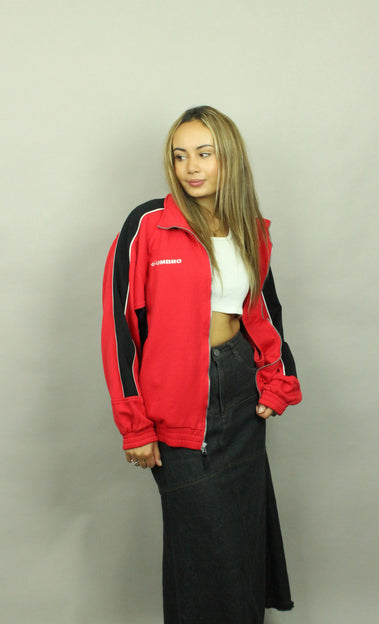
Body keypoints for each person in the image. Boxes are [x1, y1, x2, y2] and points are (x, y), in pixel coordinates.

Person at [101, 105, 302, 624]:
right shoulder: (148, 223)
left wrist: (277, 381)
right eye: (180, 155)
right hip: (175, 403)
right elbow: (119, 327)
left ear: (227, 158)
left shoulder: (249, 228)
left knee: (242, 536)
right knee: (202, 545)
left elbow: (266, 311)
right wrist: (134, 424)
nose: (191, 167)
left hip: (239, 389)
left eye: (204, 153)